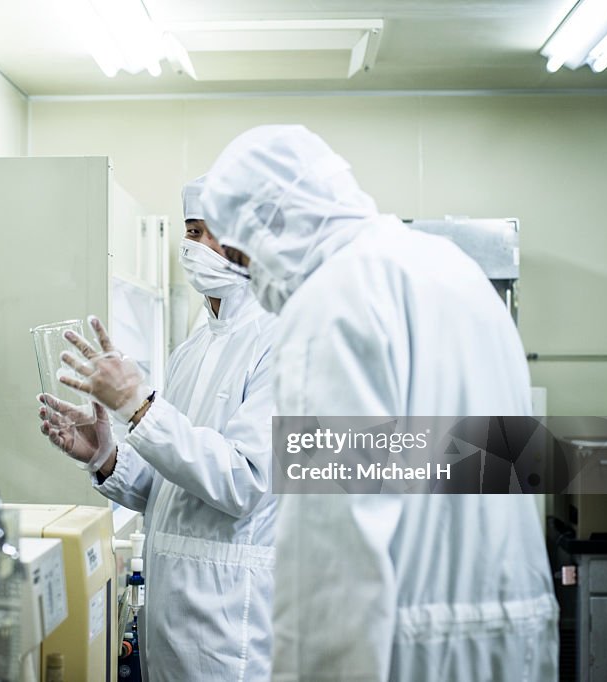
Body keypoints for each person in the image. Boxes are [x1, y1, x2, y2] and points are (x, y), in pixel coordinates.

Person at [198, 125, 559, 681]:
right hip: (512, 638)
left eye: (244, 251)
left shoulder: (333, 299)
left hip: (404, 650)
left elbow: (334, 546)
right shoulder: (453, 270)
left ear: (275, 223)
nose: (246, 272)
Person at [37, 176, 279, 681]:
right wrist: (107, 456)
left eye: (219, 233)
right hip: (167, 627)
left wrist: (140, 409)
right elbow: (171, 489)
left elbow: (246, 481)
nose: (202, 247)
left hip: (232, 627)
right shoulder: (192, 348)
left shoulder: (285, 341)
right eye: (193, 232)